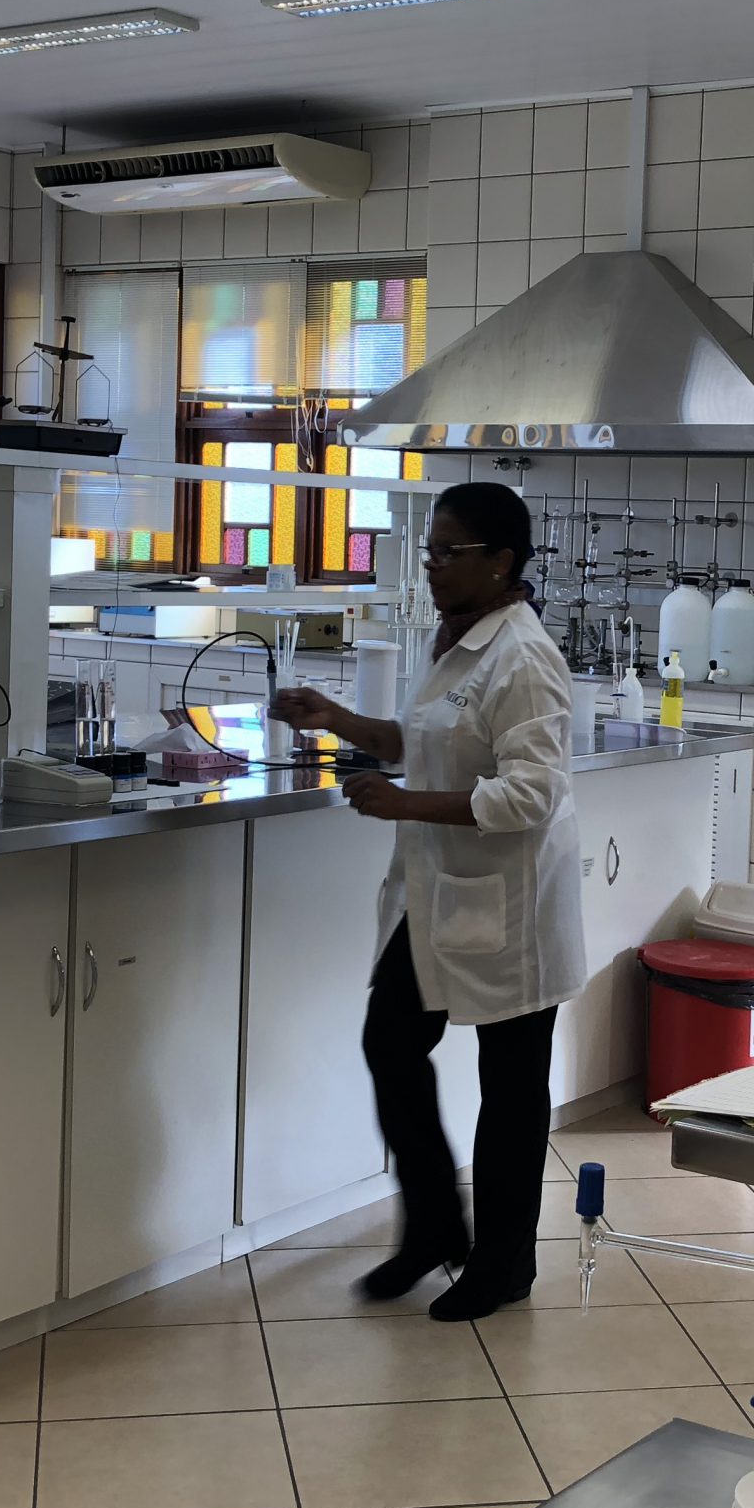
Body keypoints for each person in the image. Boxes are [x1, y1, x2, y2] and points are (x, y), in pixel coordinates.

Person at [270, 480, 585, 1321]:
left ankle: (505, 1265)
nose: (433, 565)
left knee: (510, 1089)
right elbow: (424, 741)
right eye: (430, 550)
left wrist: (406, 805)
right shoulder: (455, 640)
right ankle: (435, 1226)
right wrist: (336, 718)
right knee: (390, 1046)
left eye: (451, 551)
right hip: (436, 895)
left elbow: (532, 795)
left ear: (502, 562)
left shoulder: (523, 658)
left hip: (511, 906)